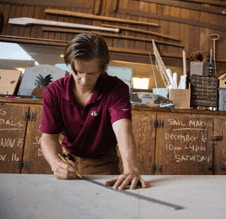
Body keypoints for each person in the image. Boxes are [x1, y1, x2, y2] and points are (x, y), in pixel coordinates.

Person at [39, 32, 148, 190]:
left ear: (103, 69)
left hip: (103, 162)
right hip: (67, 159)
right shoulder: (54, 91)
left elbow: (123, 130)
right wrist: (56, 163)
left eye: (91, 74)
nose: (83, 80)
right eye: (77, 72)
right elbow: (47, 137)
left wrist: (131, 168)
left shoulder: (116, 89)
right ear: (70, 64)